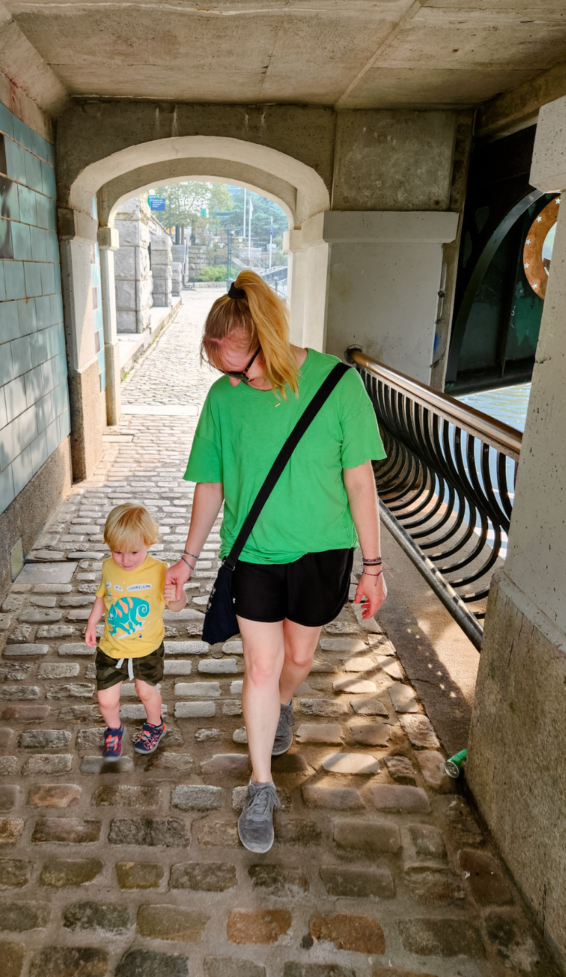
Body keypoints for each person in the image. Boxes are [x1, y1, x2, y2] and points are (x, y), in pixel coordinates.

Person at [165, 270, 387, 853]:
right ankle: (260, 785)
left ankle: (285, 704)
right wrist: (188, 559)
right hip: (253, 555)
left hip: (322, 551)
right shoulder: (224, 399)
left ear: (271, 336)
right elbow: (210, 485)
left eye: (243, 367)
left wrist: (373, 567)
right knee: (260, 667)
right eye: (224, 373)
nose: (236, 381)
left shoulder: (339, 385)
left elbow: (360, 482)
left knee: (298, 656)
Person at [84, 502, 186, 758]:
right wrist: (91, 622)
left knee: (146, 691)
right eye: (117, 552)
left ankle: (155, 724)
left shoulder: (160, 570)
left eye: (133, 552)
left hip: (147, 648)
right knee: (106, 699)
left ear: (149, 542)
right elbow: (102, 596)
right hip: (111, 648)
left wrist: (176, 594)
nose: (125, 559)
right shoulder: (108, 567)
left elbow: (176, 606)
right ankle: (114, 729)